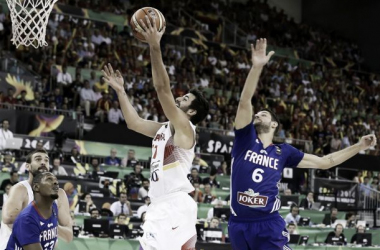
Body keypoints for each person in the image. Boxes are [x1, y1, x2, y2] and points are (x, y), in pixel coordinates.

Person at [228, 38, 377, 250]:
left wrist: (359, 146)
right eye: (257, 114)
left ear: (274, 125)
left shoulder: (284, 151)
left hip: (268, 223)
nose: (258, 115)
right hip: (238, 225)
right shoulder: (245, 141)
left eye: (264, 114)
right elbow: (244, 102)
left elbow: (326, 162)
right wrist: (256, 67)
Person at [102, 15, 209, 249]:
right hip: (166, 205)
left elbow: (162, 89)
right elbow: (134, 123)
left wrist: (154, 45)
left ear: (191, 112)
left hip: (172, 205)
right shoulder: (164, 129)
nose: (180, 98)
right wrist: (121, 92)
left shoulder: (185, 128)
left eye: (186, 99)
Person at [0, 149, 73, 249]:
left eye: (46, 160)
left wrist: (50, 227)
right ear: (27, 166)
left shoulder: (59, 194)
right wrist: (47, 223)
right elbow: (8, 217)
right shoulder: (20, 189)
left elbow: (68, 236)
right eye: (38, 159)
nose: (43, 162)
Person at [5, 172, 60, 250]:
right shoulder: (27, 219)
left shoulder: (54, 207)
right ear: (36, 187)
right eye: (49, 179)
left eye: (56, 180)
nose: (56, 182)